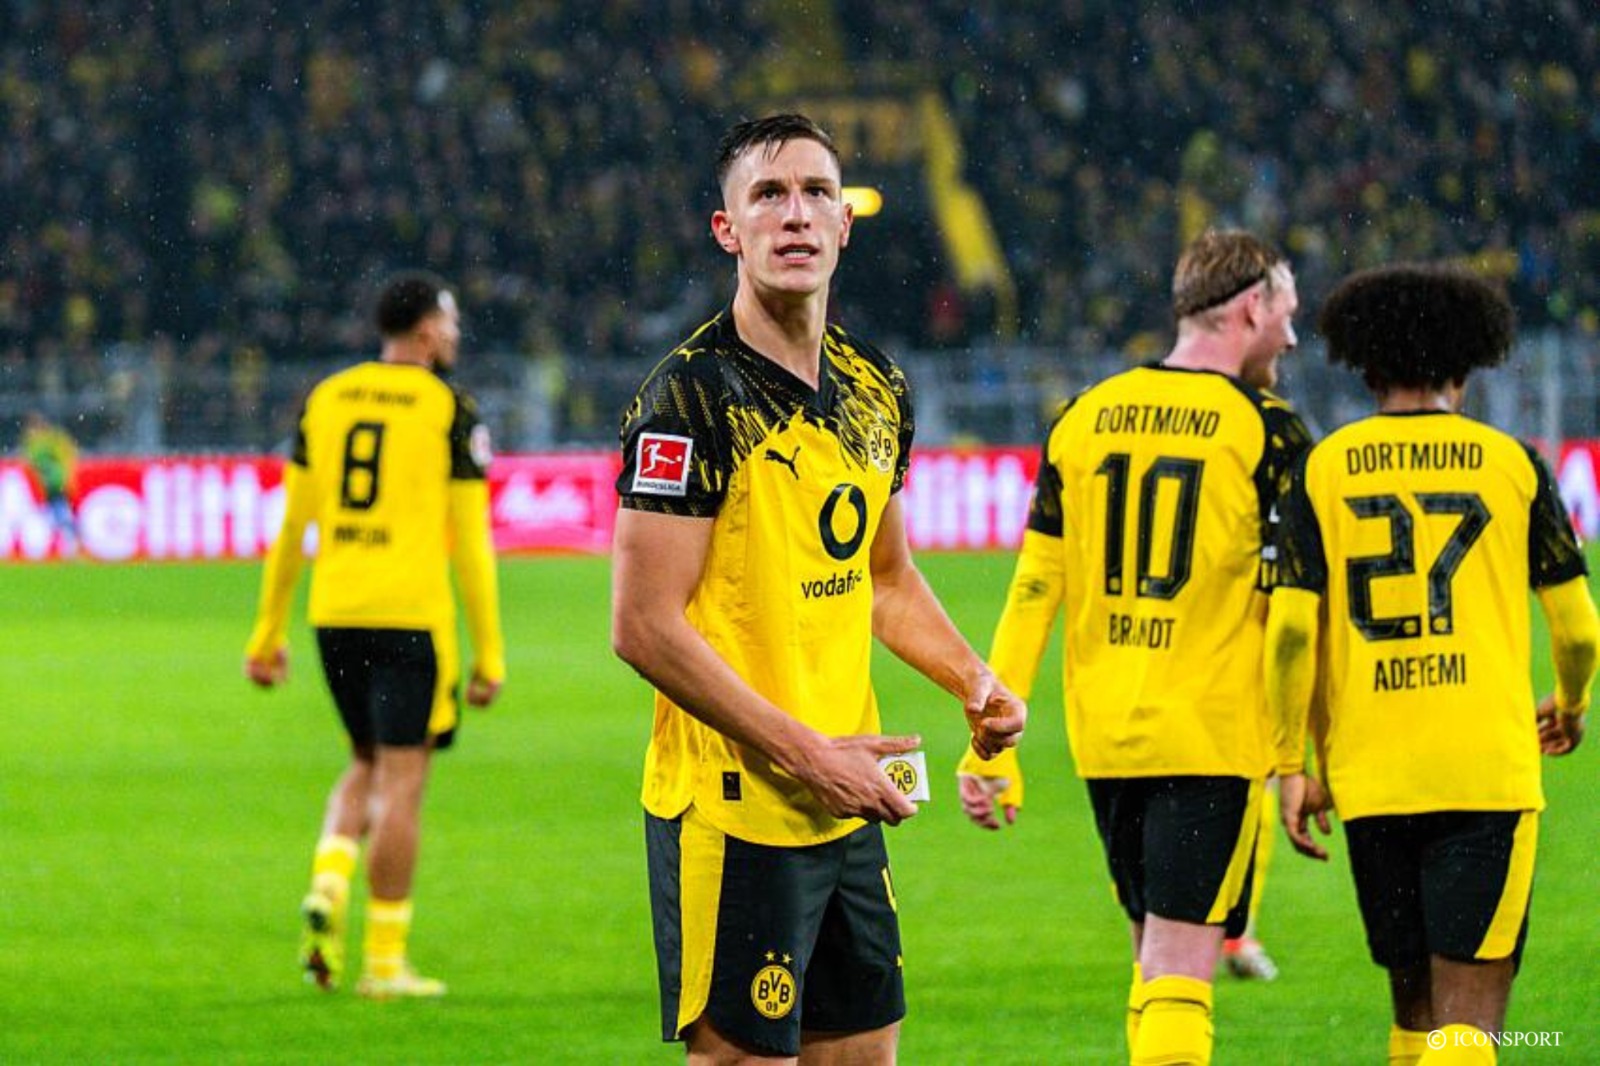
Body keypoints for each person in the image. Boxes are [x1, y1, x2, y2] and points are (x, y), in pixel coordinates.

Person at [610, 113, 1026, 1064]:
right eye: (768, 195)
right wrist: (807, 756)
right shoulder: (690, 398)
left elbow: (886, 578)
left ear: (844, 224)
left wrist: (973, 680)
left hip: (848, 796)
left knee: (869, 1051)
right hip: (737, 804)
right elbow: (641, 625)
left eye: (816, 193)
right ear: (728, 231)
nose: (795, 214)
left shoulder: (876, 386)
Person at [958, 228, 1310, 1065]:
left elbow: (1034, 590)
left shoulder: (1084, 417)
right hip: (1209, 739)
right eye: (1287, 315)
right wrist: (1299, 757)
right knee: (1182, 975)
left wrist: (990, 741)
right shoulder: (1268, 431)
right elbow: (1299, 616)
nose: (1293, 338)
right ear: (1250, 307)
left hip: (1108, 742)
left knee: (1151, 961)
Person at [1267, 263, 1597, 1066]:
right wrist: (1571, 702)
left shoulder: (1322, 468)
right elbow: (1579, 631)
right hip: (1484, 772)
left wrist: (1292, 763)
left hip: (1372, 775)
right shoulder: (1512, 464)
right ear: (1465, 365)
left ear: (1366, 367)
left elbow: (1290, 634)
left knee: (1414, 1012)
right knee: (1468, 1024)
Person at [243, 271, 505, 999]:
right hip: (408, 616)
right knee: (403, 782)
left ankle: (329, 881)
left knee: (364, 758)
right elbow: (472, 542)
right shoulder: (449, 408)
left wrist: (267, 635)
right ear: (426, 330)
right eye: (450, 321)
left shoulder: (326, 398)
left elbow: (292, 530)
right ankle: (385, 963)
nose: (455, 334)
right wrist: (489, 653)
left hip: (335, 614)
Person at [22, 410, 79, 554]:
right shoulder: (32, 444)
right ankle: (64, 543)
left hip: (56, 484)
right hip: (44, 487)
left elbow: (65, 458)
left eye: (32, 428)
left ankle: (72, 543)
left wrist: (63, 478)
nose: (30, 432)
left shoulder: (51, 441)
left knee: (61, 513)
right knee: (53, 516)